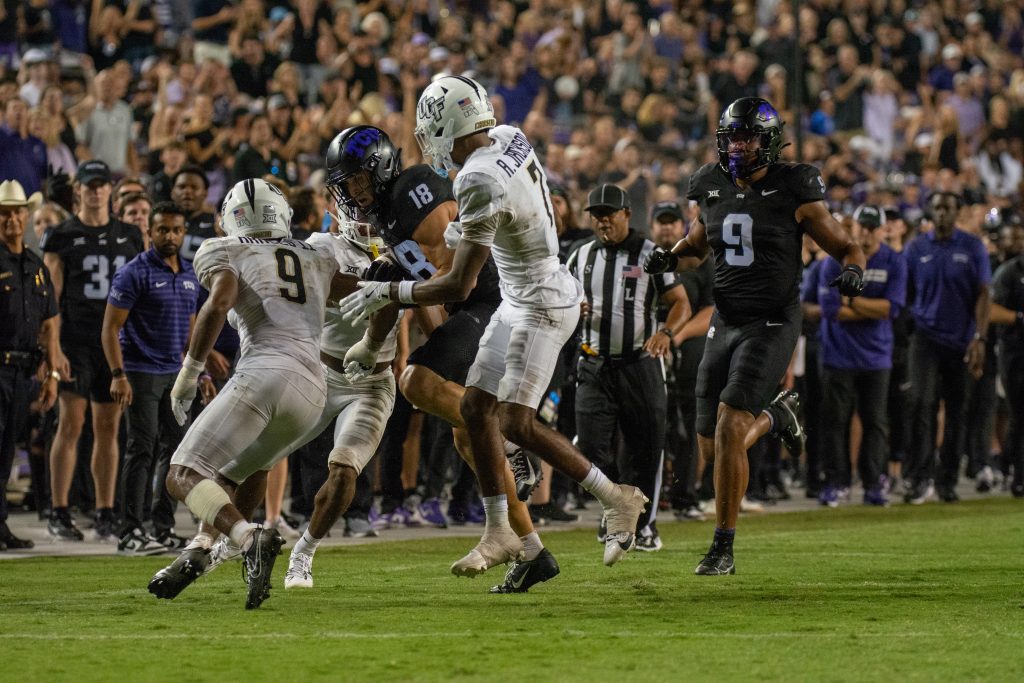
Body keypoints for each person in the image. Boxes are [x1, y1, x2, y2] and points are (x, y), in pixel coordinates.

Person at [340, 76, 648, 573]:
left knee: (514, 421)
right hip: (518, 294)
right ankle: (501, 531)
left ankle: (616, 496)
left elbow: (459, 285)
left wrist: (390, 292)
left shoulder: (474, 178)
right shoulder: (507, 136)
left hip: (540, 301)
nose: (426, 140)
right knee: (478, 409)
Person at [324, 124, 559, 594]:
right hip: (467, 309)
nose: (354, 193)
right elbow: (430, 296)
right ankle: (532, 550)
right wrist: (443, 353)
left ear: (382, 169)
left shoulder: (414, 190)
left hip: (490, 299)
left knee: (415, 383)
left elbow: (455, 275)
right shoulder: (388, 215)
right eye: (346, 186)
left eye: (359, 181)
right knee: (466, 439)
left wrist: (396, 299)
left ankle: (513, 437)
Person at [644, 97, 866, 575]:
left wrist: (852, 271)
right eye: (733, 138)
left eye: (748, 138)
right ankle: (776, 414)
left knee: (727, 428)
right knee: (712, 446)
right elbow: (696, 247)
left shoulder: (795, 186)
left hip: (771, 321)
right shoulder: (710, 184)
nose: (739, 147)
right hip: (725, 320)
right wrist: (669, 257)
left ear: (768, 142)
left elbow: (846, 245)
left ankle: (722, 546)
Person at [147, 178, 342, 609]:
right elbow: (359, 292)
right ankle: (199, 549)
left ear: (229, 219)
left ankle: (248, 536)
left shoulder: (227, 249)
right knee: (235, 474)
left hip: (267, 371)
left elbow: (218, 304)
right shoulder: (317, 254)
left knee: (182, 473)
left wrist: (190, 371)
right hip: (313, 391)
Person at [567, 184, 690, 552]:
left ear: (626, 215)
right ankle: (615, 510)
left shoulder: (652, 254)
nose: (603, 220)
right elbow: (559, 300)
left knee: (647, 447)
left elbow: (680, 302)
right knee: (590, 447)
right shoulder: (579, 255)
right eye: (596, 214)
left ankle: (646, 525)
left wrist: (668, 331)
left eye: (610, 213)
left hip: (640, 363)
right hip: (593, 362)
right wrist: (572, 310)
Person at [282, 217, 401, 589]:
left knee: (345, 470)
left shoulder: (404, 247)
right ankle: (219, 538)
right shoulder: (323, 244)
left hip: (373, 383)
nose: (368, 218)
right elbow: (321, 286)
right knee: (259, 454)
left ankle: (302, 553)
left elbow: (427, 308)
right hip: (321, 374)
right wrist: (386, 287)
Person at [41, 160, 144, 541]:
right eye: (90, 185)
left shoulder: (130, 235)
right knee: (70, 424)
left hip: (114, 344)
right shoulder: (62, 235)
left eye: (102, 185)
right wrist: (53, 349)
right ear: (78, 190)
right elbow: (51, 298)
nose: (97, 191)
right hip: (76, 342)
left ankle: (104, 510)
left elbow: (141, 290)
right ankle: (60, 509)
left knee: (108, 428)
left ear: (110, 190)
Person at [101, 201, 209, 555]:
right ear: (149, 232)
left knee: (176, 452)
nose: (170, 236)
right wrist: (118, 375)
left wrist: (197, 369)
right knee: (141, 448)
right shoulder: (134, 273)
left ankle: (161, 527)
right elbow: (110, 328)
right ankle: (130, 530)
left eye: (176, 230)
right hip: (141, 370)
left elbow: (193, 331)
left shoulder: (191, 273)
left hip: (174, 373)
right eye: (162, 229)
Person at [901, 191, 991, 504]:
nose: (941, 213)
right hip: (925, 337)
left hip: (961, 339)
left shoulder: (972, 246)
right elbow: (906, 292)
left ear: (957, 212)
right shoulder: (916, 247)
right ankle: (920, 477)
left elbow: (983, 293)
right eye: (937, 208)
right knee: (920, 404)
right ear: (930, 212)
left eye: (947, 208)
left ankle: (947, 480)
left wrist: (979, 337)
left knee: (957, 410)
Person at [815, 205, 907, 507]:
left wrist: (852, 303)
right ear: (855, 228)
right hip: (838, 354)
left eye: (871, 226)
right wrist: (870, 307)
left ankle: (873, 483)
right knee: (835, 422)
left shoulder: (894, 261)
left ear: (882, 229)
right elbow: (830, 311)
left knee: (876, 422)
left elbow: (891, 309)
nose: (866, 232)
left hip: (876, 357)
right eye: (862, 226)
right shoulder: (834, 259)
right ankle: (836, 482)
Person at [0, 180, 60, 551]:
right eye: (4, 213)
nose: (11, 219)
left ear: (26, 216)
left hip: (23, 371)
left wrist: (51, 373)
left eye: (17, 212)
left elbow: (50, 323)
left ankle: (0, 524)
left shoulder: (36, 265)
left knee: (7, 450)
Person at [990, 241, 1024, 498]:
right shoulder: (1010, 272)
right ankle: (1016, 475)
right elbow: (992, 311)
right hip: (1015, 354)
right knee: (1019, 416)